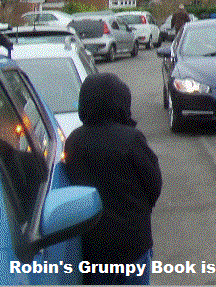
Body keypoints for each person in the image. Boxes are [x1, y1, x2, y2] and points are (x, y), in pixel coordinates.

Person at [64, 73, 162, 285]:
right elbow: (153, 183)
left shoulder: (74, 142)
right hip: (133, 243)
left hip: (94, 247)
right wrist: (142, 209)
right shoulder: (131, 139)